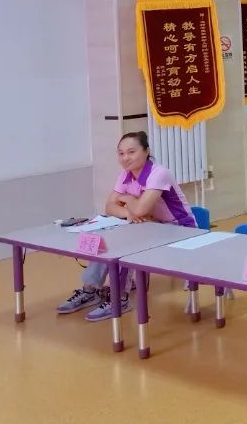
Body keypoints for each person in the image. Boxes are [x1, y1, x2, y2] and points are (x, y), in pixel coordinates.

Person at [57, 131, 196, 321]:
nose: (125, 158)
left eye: (131, 152)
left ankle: (120, 298)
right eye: (121, 153)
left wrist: (127, 199)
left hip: (180, 229)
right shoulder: (125, 175)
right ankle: (90, 290)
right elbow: (109, 207)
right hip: (151, 225)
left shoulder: (159, 173)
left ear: (146, 151)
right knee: (105, 240)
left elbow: (139, 209)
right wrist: (128, 213)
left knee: (128, 245)